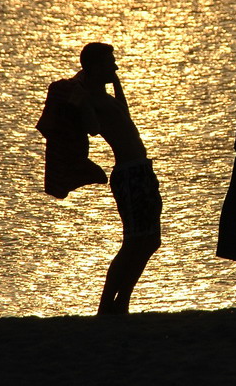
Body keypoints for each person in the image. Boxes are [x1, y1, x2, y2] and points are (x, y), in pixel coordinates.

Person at [76, 43, 162, 315]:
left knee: (150, 240)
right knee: (135, 241)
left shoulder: (104, 95)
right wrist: (83, 98)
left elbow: (124, 116)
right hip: (128, 174)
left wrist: (118, 85)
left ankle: (122, 302)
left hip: (141, 170)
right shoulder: (89, 96)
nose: (115, 67)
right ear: (95, 67)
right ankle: (107, 307)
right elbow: (92, 128)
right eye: (110, 63)